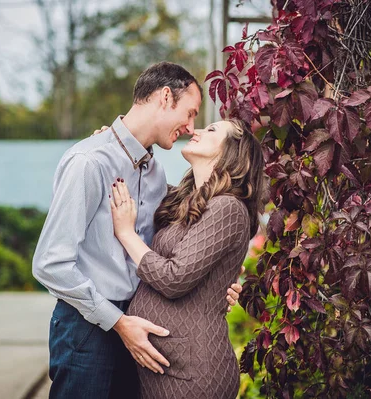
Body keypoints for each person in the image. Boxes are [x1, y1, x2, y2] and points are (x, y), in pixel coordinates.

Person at [32, 62, 242, 398]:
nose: (190, 127)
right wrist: (117, 322)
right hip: (88, 326)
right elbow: (49, 264)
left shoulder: (156, 173)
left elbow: (191, 238)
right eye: (189, 113)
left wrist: (218, 282)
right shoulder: (89, 161)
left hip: (138, 327)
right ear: (164, 97)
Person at [109, 118, 265, 399]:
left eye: (212, 129)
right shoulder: (186, 200)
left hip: (193, 372)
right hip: (166, 364)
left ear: (232, 151)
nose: (197, 130)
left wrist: (125, 233)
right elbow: (140, 187)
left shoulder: (227, 208)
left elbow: (174, 278)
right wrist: (111, 146)